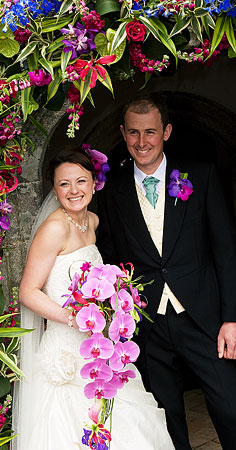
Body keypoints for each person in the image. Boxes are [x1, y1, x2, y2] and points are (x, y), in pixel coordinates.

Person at [97, 93, 236, 450]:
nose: (142, 142)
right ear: (123, 134)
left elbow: (226, 251)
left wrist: (231, 320)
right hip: (148, 326)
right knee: (165, 419)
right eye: (133, 133)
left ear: (167, 132)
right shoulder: (112, 192)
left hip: (204, 319)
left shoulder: (200, 176)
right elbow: (111, 258)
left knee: (230, 407)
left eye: (150, 132)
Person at [12, 148, 174, 449]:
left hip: (98, 350)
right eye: (64, 184)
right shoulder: (54, 229)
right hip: (68, 351)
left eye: (81, 181)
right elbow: (28, 292)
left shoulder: (93, 222)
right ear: (54, 188)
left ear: (93, 182)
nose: (74, 191)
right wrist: (74, 318)